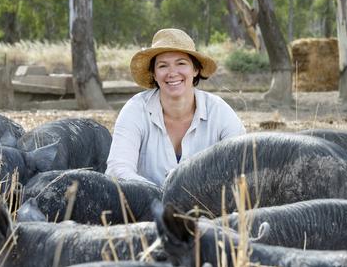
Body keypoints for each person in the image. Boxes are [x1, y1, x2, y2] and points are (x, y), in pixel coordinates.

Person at [105, 28, 246, 186]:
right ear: (154, 74)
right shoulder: (135, 110)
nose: (172, 73)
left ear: (195, 69)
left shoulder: (219, 111)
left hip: (210, 207)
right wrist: (159, 194)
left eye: (181, 63)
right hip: (146, 207)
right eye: (163, 66)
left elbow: (242, 166)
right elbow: (118, 169)